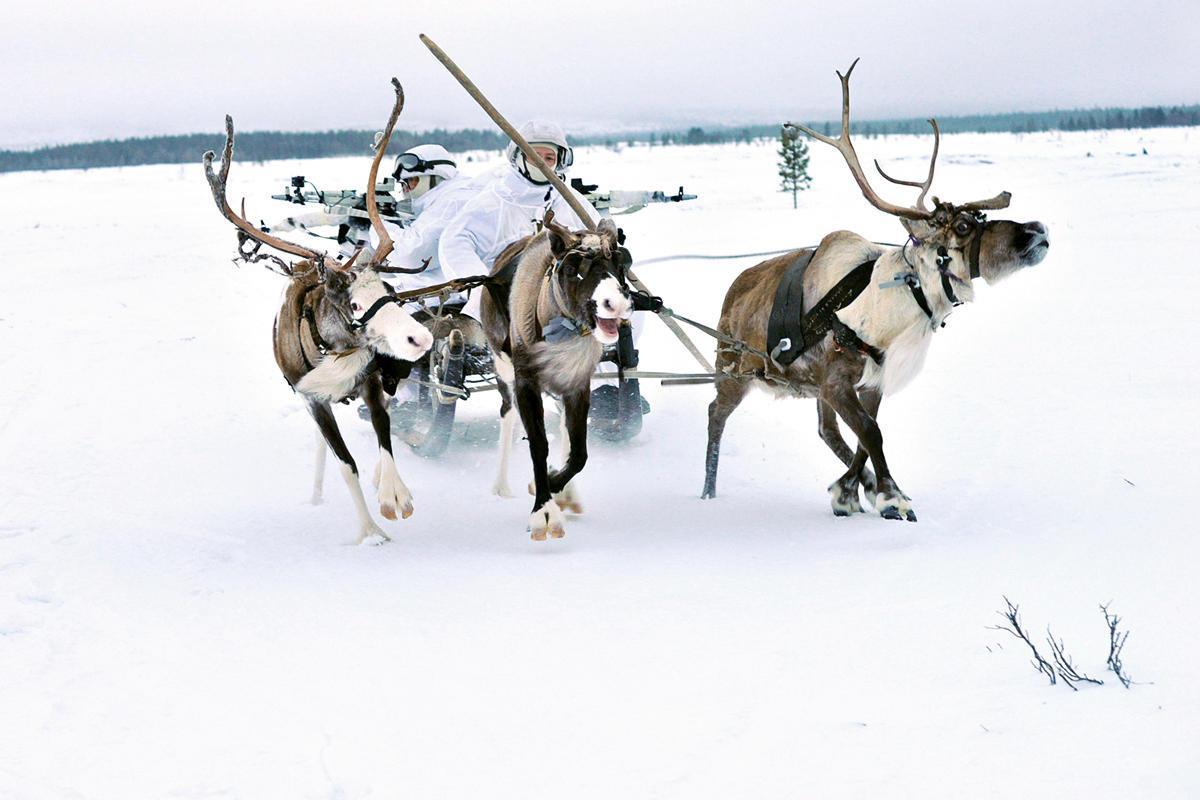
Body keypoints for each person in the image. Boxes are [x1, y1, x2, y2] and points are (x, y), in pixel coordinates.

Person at [437, 120, 600, 321]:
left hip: (565, 296)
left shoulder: (571, 201)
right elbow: (454, 243)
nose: (542, 163)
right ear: (518, 156)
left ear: (560, 161)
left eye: (549, 157)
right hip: (506, 301)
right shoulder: (494, 201)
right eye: (534, 156)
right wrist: (481, 287)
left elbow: (601, 241)